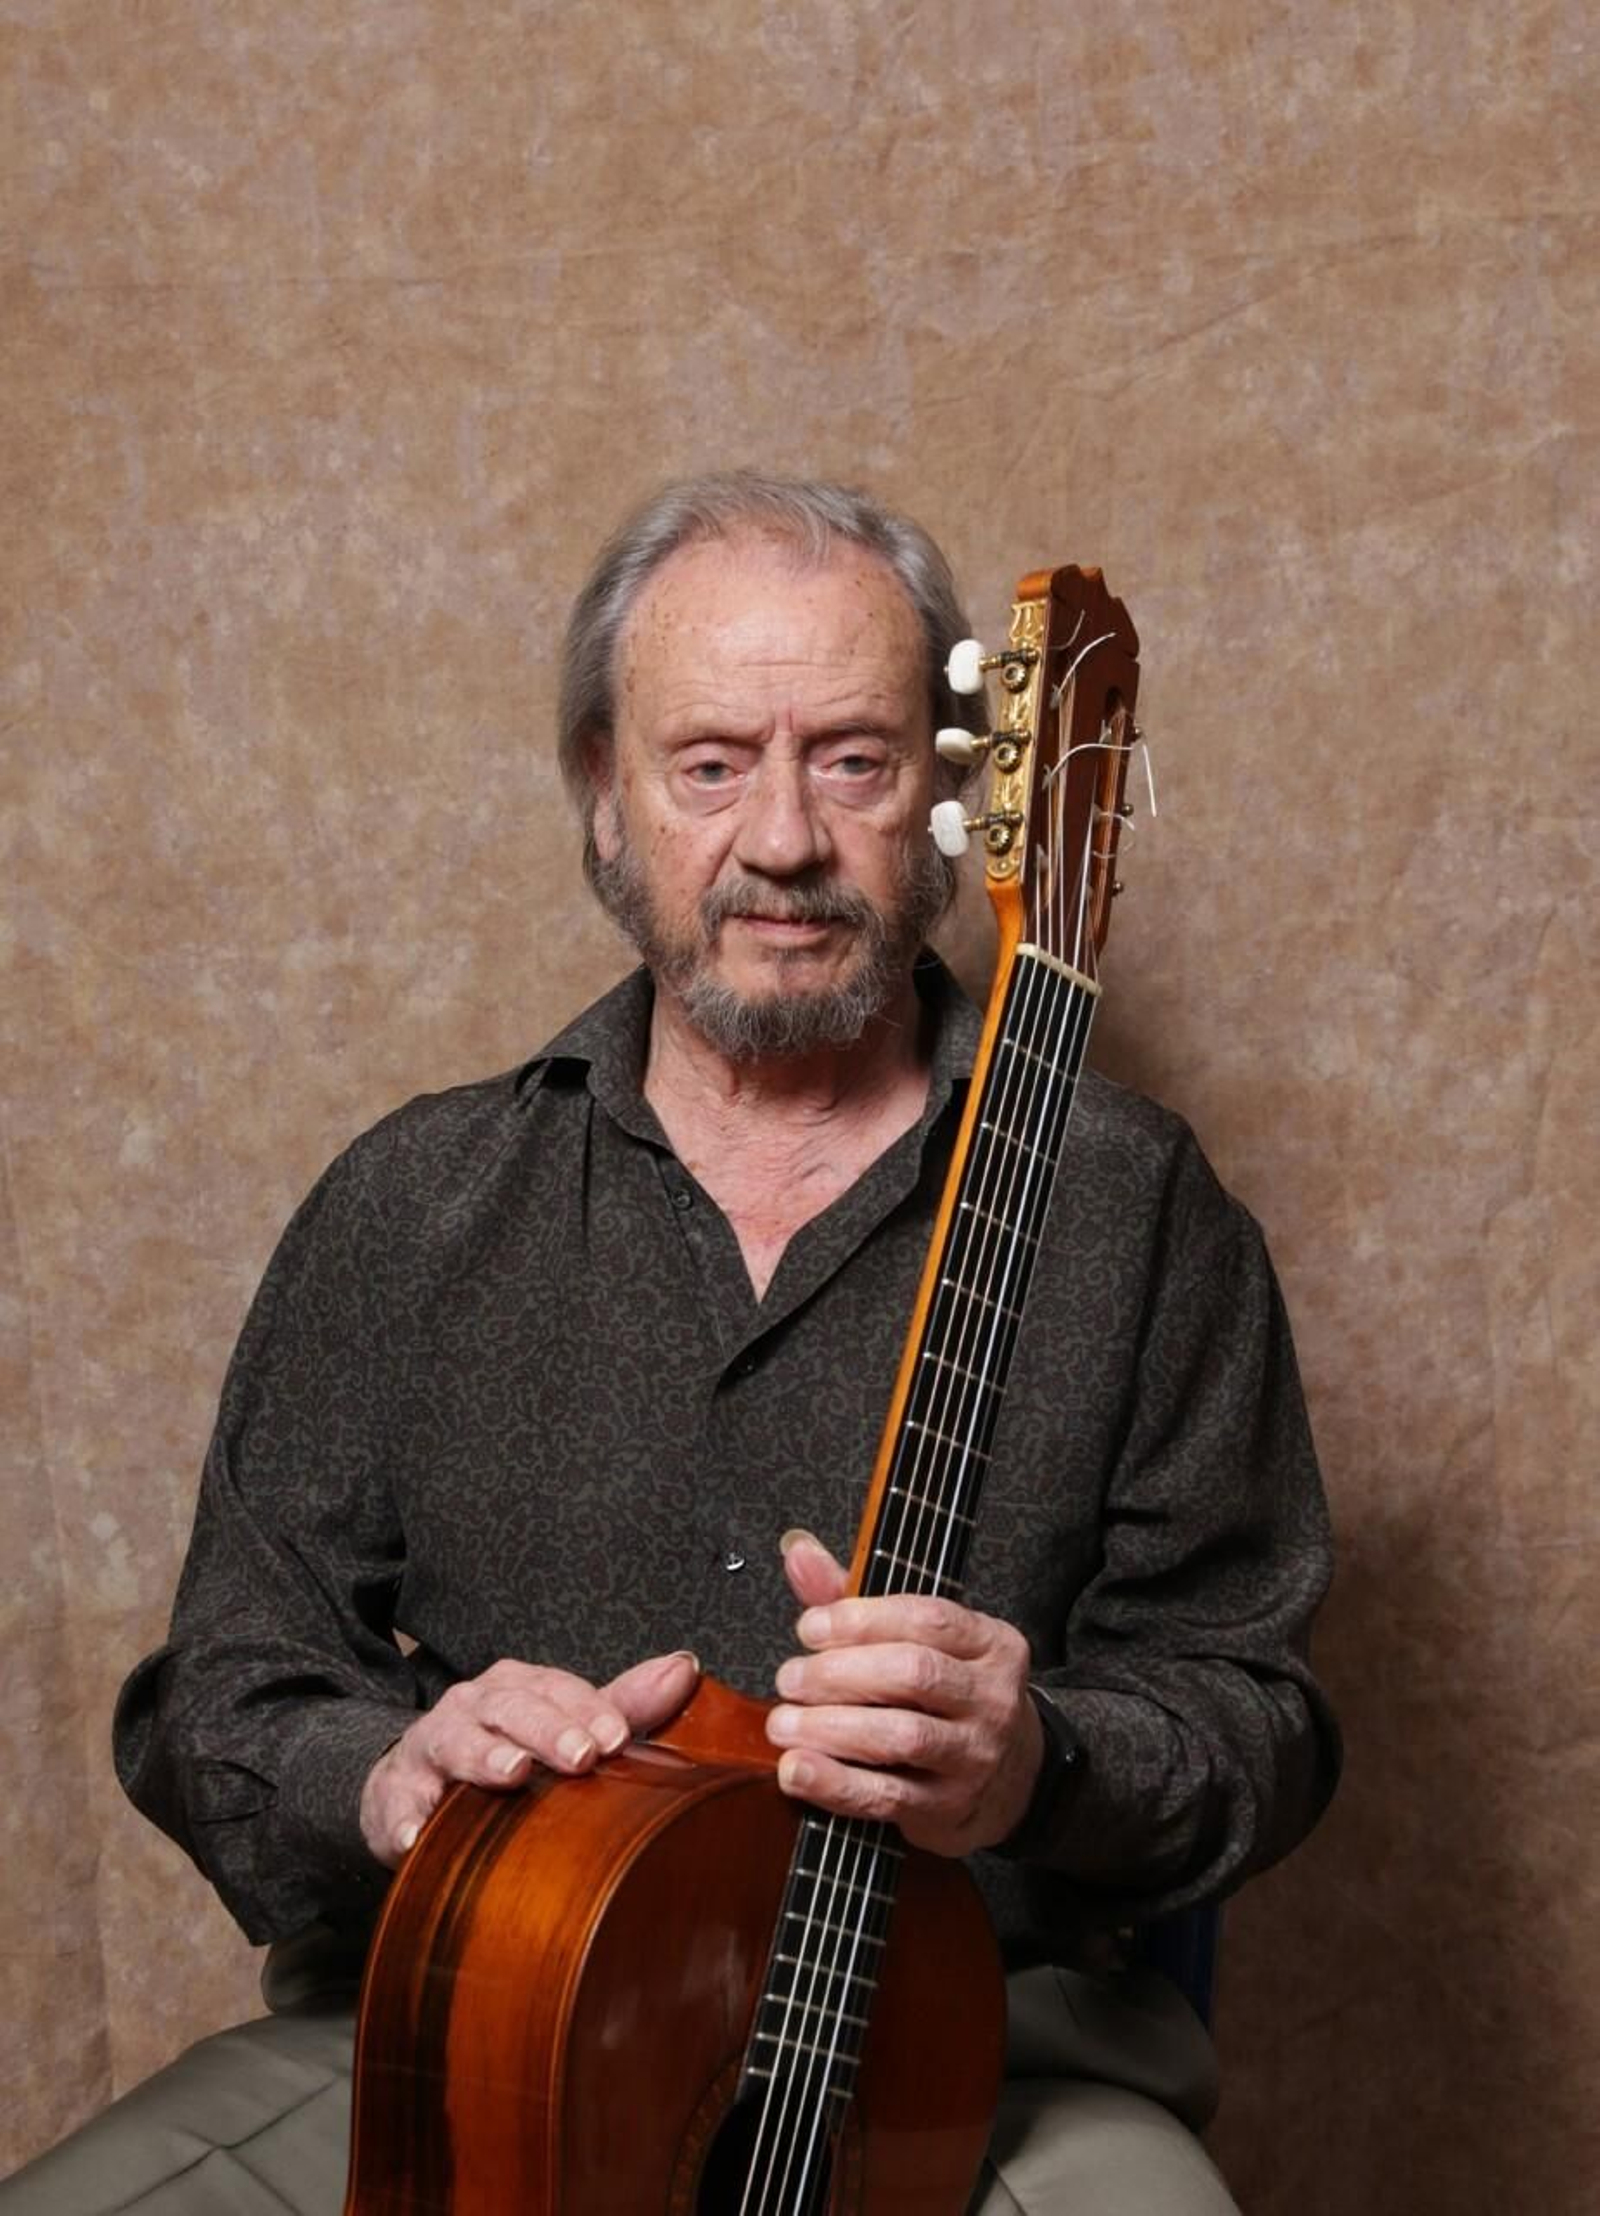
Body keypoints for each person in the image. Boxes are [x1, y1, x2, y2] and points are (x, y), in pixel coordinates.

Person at [3, 473, 1339, 2214]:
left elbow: (1260, 1719)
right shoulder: (415, 1206)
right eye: (709, 763)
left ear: (947, 792)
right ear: (605, 802)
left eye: (852, 759)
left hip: (990, 2055)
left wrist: (1037, 1761)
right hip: (480, 2027)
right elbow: (220, 1698)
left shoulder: (1134, 1211)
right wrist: (390, 1778)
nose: (782, 839)